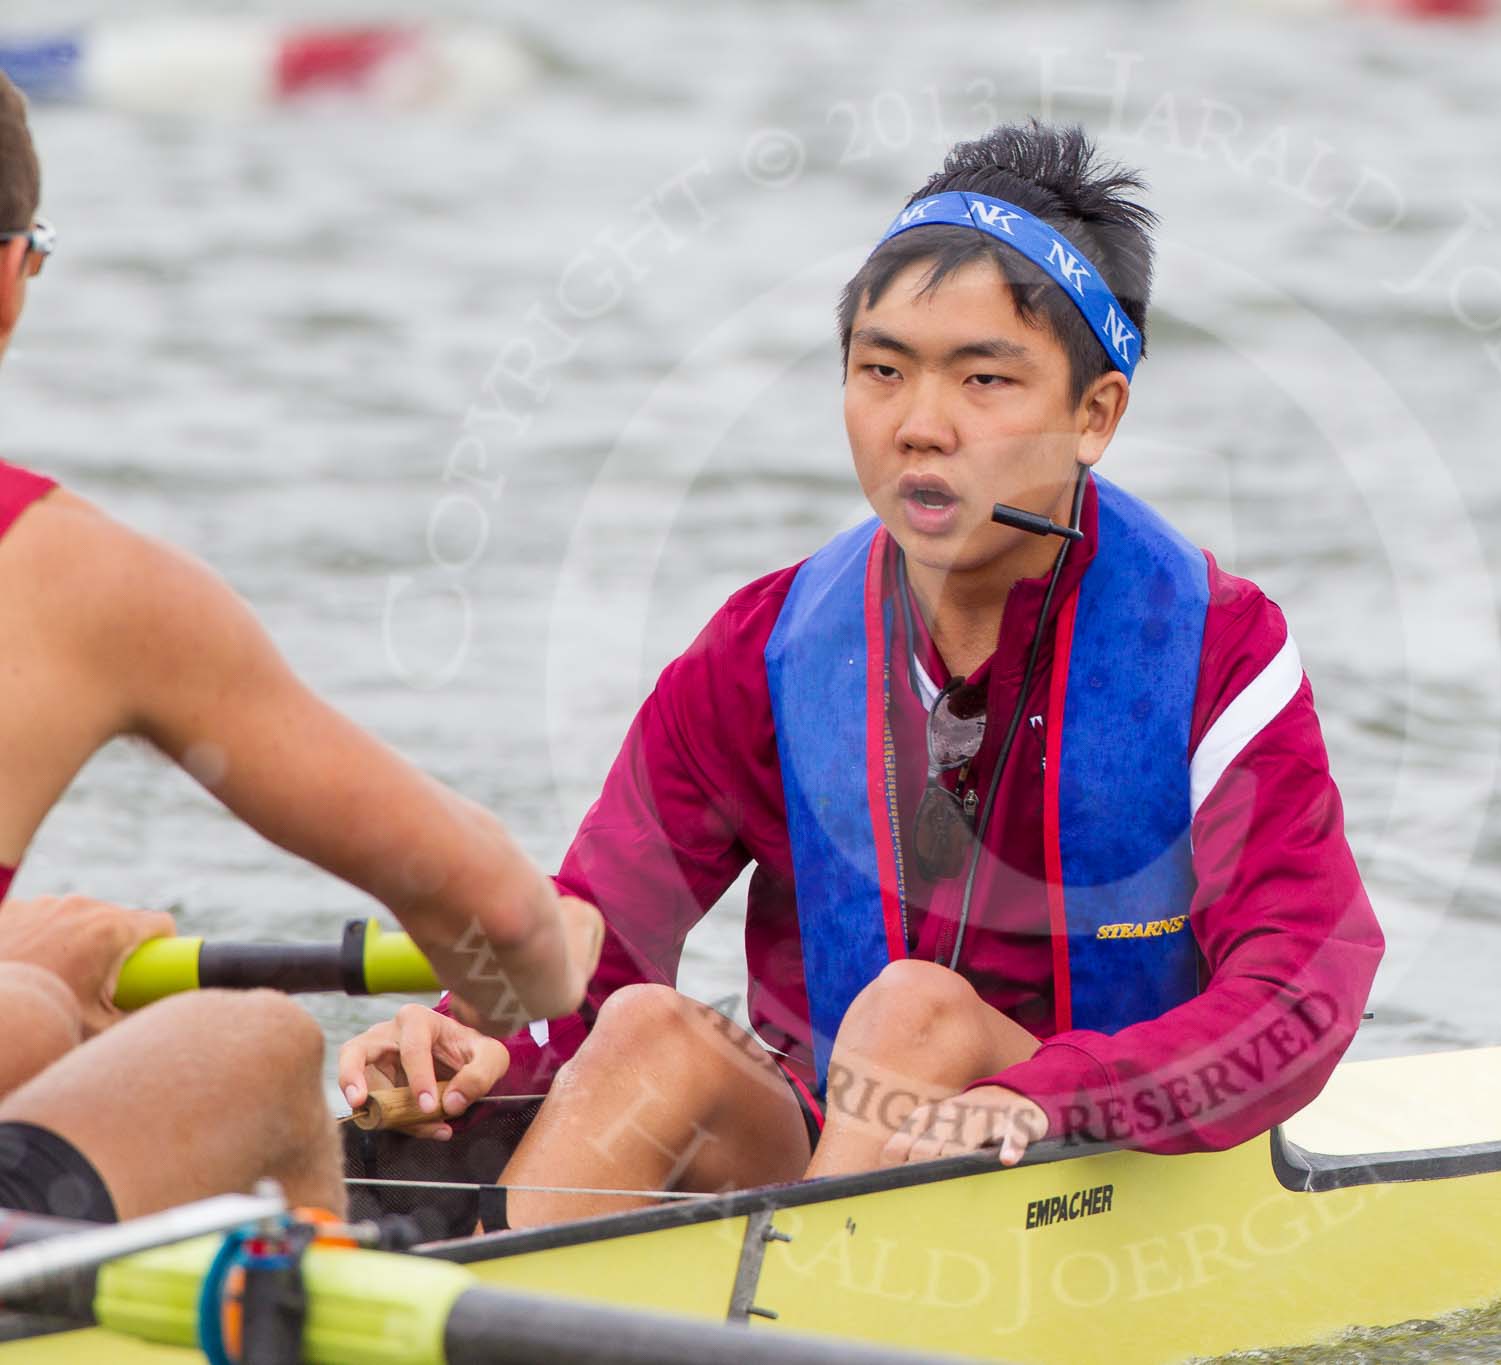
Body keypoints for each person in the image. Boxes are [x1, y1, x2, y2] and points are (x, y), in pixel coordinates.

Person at [341, 121, 1385, 1229]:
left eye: (983, 380)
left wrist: (1045, 1098)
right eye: (880, 371)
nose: (919, 427)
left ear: (1095, 415)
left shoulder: (1219, 651)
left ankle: (812, 1301)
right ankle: (485, 1304)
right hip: (832, 1134)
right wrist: (473, 1039)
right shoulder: (761, 649)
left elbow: (1298, 995)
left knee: (915, 1015)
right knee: (648, 1029)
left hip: (1099, 1158)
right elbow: (599, 935)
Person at [0, 72, 600, 1225]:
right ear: (11, 274)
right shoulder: (80, 577)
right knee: (261, 1039)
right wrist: (543, 971)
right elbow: (506, 925)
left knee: (35, 1007)